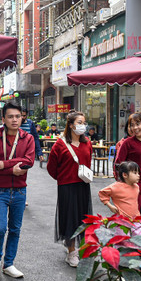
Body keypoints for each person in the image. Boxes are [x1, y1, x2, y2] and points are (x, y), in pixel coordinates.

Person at [0, 101, 35, 278]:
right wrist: (13, 168)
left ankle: (9, 263)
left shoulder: (27, 138)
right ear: (3, 118)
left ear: (22, 117)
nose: (15, 120)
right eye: (10, 117)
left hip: (20, 191)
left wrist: (5, 164)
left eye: (18, 116)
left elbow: (28, 161)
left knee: (15, 229)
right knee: (0, 227)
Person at [47, 111, 93, 268]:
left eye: (84, 122)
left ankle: (79, 248)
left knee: (82, 217)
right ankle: (71, 251)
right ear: (71, 125)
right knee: (69, 218)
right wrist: (63, 178)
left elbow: (88, 161)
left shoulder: (87, 143)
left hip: (83, 185)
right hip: (67, 186)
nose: (83, 126)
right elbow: (51, 168)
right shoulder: (60, 144)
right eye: (79, 122)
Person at [99, 161, 141, 235]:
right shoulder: (116, 187)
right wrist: (109, 205)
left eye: (138, 173)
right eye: (135, 173)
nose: (138, 175)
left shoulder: (136, 187)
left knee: (139, 240)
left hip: (136, 220)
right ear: (125, 175)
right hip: (121, 221)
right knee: (122, 242)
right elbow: (102, 193)